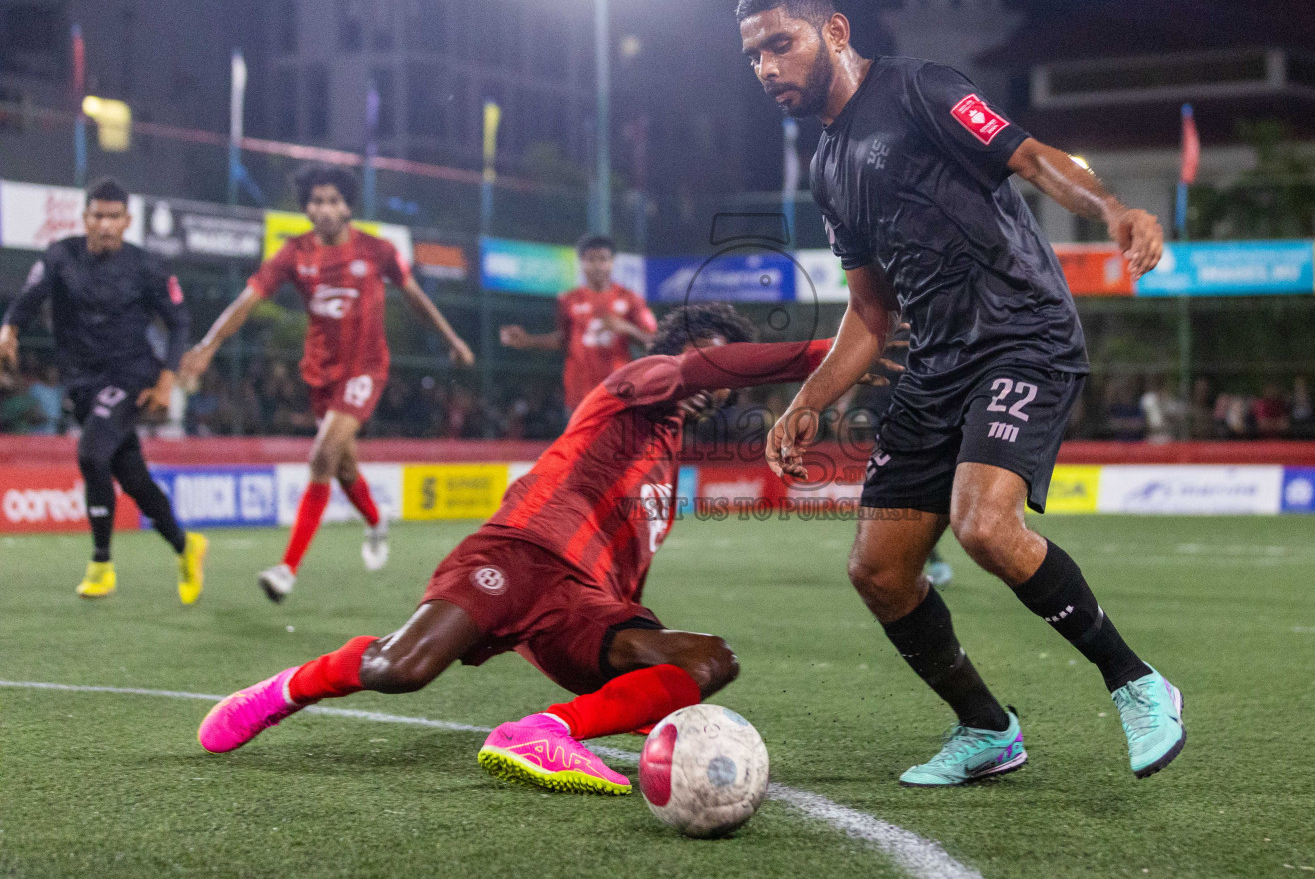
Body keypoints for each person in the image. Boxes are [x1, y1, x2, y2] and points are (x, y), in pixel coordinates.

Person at [738, 0, 1184, 786]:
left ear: (833, 32)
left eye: (780, 43)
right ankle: (987, 730)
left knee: (983, 525)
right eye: (754, 54)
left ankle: (1138, 684)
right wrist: (807, 401)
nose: (767, 66)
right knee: (878, 570)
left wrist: (1113, 209)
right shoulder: (828, 167)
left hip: (1022, 338)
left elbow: (1033, 157)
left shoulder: (920, 89)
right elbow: (872, 313)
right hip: (937, 366)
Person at [197, 305, 854, 794]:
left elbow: (628, 584)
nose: (719, 383)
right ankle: (287, 688)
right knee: (402, 669)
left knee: (709, 661)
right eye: (714, 362)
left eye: (729, 377)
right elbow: (697, 370)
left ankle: (543, 732)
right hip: (519, 554)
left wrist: (640, 680)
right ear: (680, 356)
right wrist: (835, 352)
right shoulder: (639, 380)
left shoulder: (667, 461)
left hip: (582, 607)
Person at [180, 165, 474, 602]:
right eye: (316, 201)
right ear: (307, 207)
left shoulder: (377, 250)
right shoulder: (293, 254)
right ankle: (376, 522)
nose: (325, 209)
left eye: (334, 200)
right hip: (320, 372)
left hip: (366, 369)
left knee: (321, 456)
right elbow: (247, 302)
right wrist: (207, 346)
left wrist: (451, 340)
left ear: (349, 206)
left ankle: (286, 570)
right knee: (344, 466)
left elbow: (415, 297)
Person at [0, 178, 207, 602]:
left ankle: (101, 564)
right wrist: (10, 327)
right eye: (99, 215)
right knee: (131, 477)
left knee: (92, 453)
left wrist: (166, 380)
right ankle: (187, 547)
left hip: (130, 376)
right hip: (81, 382)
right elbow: (29, 295)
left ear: (128, 221)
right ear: (86, 218)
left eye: (115, 217)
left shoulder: (147, 267)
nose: (107, 224)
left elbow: (180, 321)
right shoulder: (61, 255)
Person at [500, 234, 656, 413]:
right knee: (579, 442)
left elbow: (653, 341)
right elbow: (564, 340)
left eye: (603, 259)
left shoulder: (630, 298)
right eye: (591, 259)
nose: (598, 265)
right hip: (580, 395)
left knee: (620, 441)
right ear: (581, 263)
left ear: (612, 263)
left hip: (618, 394)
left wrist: (626, 327)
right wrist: (527, 340)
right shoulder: (568, 300)